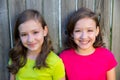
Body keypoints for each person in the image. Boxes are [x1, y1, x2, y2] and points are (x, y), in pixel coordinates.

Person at [59, 7, 117, 80]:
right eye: (78, 31)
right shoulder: (64, 58)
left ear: (97, 31)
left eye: (89, 30)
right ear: (71, 33)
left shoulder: (107, 56)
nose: (84, 36)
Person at [8, 9, 65, 80]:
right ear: (19, 36)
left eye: (35, 32)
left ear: (45, 31)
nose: (30, 39)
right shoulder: (16, 58)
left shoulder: (55, 62)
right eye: (24, 34)